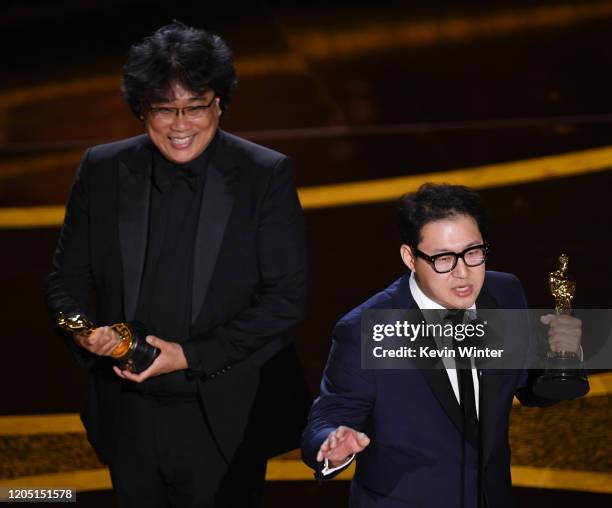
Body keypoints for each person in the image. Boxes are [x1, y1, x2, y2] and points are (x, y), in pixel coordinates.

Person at [46, 21, 309, 508]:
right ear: (141, 109)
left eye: (194, 107)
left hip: (222, 415)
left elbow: (286, 299)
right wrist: (83, 330)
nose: (180, 124)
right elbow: (65, 282)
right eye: (164, 109)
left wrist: (187, 355)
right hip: (127, 415)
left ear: (219, 104)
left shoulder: (265, 174)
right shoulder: (101, 169)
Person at [301, 183, 583, 508]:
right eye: (443, 258)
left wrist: (562, 355)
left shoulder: (504, 294)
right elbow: (327, 419)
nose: (463, 273)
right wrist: (330, 445)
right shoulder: (367, 329)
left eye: (473, 253)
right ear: (410, 257)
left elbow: (529, 386)